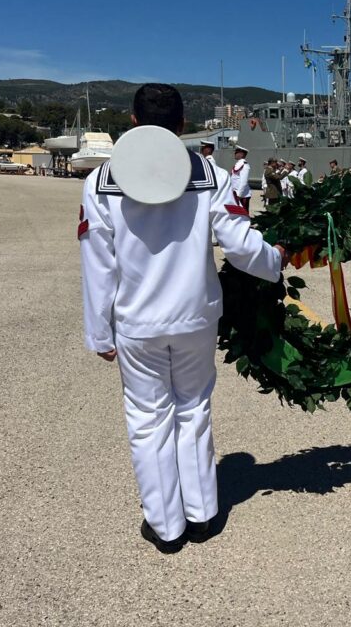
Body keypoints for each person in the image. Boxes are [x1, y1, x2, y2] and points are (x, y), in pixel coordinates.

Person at [79, 84, 286, 553]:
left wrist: (99, 332)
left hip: (137, 322)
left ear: (133, 122)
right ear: (182, 125)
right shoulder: (210, 173)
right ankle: (201, 514)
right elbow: (238, 243)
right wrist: (274, 260)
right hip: (196, 316)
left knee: (148, 417)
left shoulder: (102, 180)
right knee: (193, 409)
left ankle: (165, 525)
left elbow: (97, 261)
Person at [231, 147, 252, 212]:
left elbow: (244, 182)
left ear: (242, 154)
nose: (235, 154)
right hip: (236, 193)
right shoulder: (238, 164)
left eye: (236, 152)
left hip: (242, 195)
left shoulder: (245, 165)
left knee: (243, 214)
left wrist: (238, 195)